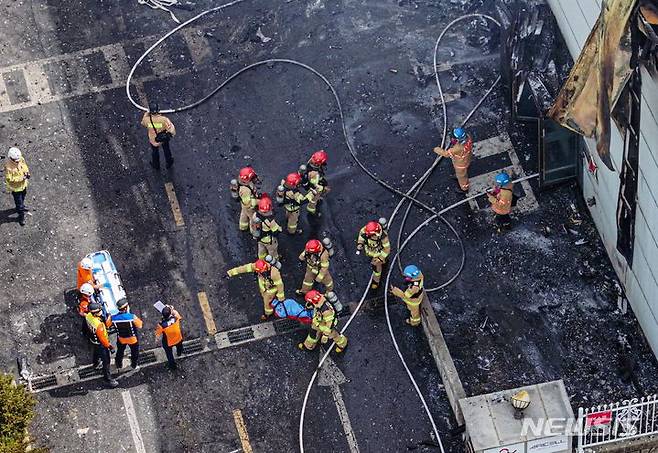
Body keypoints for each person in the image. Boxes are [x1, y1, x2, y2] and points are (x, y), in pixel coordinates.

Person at [85, 302, 118, 388]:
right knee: (106, 361)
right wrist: (110, 346)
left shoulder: (88, 316)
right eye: (100, 310)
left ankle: (95, 364)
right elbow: (103, 339)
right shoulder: (99, 325)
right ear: (95, 313)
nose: (101, 311)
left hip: (93, 340)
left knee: (96, 353)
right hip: (101, 344)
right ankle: (107, 379)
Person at [433, 127, 473, 193]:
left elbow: (446, 154)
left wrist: (436, 149)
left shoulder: (456, 149)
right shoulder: (468, 138)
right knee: (461, 172)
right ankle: (458, 175)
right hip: (467, 159)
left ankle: (464, 188)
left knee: (462, 177)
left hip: (460, 165)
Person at [106, 300, 143, 370]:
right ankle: (134, 365)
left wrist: (109, 316)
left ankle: (118, 364)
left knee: (120, 351)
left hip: (121, 338)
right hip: (132, 339)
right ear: (126, 308)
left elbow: (107, 325)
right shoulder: (132, 317)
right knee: (134, 352)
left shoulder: (113, 318)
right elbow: (140, 325)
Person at [356, 220, 391, 289]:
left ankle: (376, 281)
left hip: (379, 254)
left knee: (376, 269)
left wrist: (379, 259)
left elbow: (387, 250)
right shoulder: (365, 230)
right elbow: (361, 236)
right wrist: (360, 243)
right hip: (370, 251)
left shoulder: (383, 237)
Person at [140, 102, 176, 170]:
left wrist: (147, 113)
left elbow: (143, 123)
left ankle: (156, 165)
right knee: (166, 150)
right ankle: (169, 162)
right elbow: (171, 129)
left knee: (155, 152)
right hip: (163, 138)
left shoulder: (146, 120)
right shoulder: (163, 119)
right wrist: (170, 134)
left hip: (153, 139)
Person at [4, 147, 30, 226]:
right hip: (16, 189)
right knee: (19, 203)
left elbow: (24, 166)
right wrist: (21, 178)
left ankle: (21, 206)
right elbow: (9, 179)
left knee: (23, 196)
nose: (18, 161)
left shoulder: (20, 158)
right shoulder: (8, 167)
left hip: (23, 185)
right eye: (16, 160)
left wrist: (27, 172)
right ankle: (21, 216)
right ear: (11, 158)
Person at [251, 195, 281, 259]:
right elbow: (276, 232)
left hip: (259, 238)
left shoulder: (255, 215)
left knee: (261, 250)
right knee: (272, 252)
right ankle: (273, 262)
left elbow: (252, 225)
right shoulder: (270, 221)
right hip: (269, 241)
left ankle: (261, 259)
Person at [155, 304, 184, 370]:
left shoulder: (161, 325)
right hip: (178, 338)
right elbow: (175, 312)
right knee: (179, 346)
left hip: (168, 342)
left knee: (169, 354)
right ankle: (179, 353)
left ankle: (173, 366)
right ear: (171, 313)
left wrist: (156, 340)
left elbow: (158, 334)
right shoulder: (176, 317)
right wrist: (171, 308)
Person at [305, 150, 329, 216]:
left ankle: (317, 199)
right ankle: (311, 210)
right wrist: (323, 187)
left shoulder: (312, 161)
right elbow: (315, 185)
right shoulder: (314, 174)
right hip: (315, 188)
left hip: (316, 181)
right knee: (314, 200)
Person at [237, 167, 260, 231]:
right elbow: (248, 203)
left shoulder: (244, 182)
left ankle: (243, 227)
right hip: (249, 207)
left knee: (244, 213)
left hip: (244, 205)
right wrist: (258, 202)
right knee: (253, 218)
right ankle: (253, 231)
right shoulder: (245, 190)